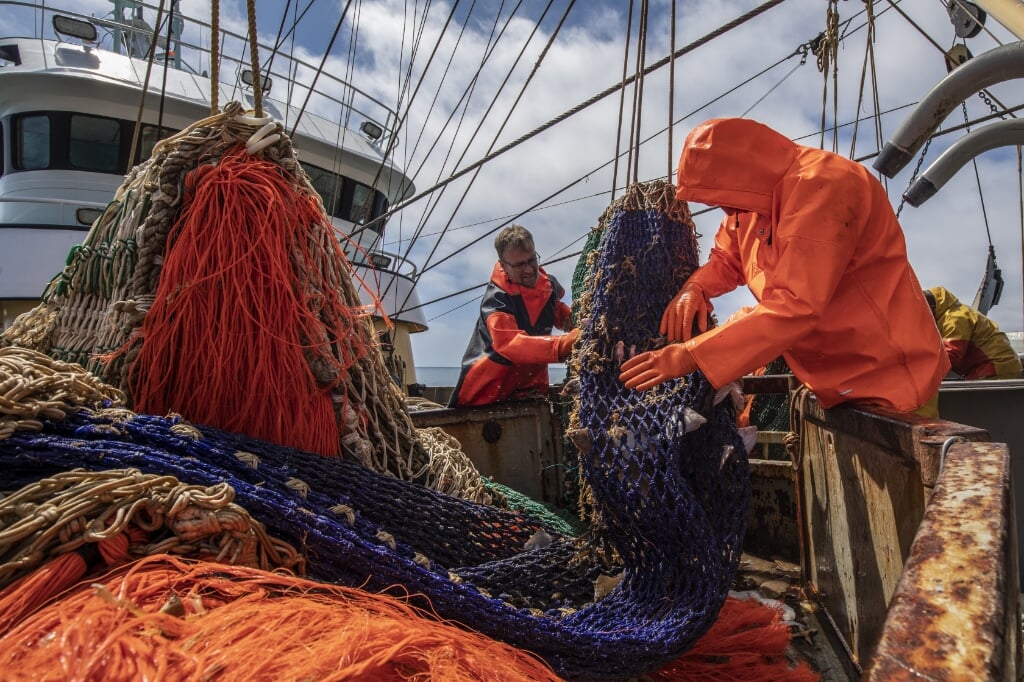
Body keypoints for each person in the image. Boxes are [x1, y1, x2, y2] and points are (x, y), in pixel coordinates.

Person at [619, 117, 950, 416]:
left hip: (892, 383)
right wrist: (697, 287)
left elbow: (795, 305)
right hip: (833, 386)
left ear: (743, 174)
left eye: (720, 196)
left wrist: (689, 356)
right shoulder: (746, 210)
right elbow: (726, 257)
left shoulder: (825, 186)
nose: (722, 208)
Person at [449, 224, 578, 407]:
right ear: (503, 265)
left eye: (532, 260)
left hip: (531, 393)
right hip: (485, 396)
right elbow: (509, 344)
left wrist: (581, 326)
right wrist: (563, 344)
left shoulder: (548, 286)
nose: (528, 270)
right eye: (519, 265)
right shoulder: (497, 300)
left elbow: (557, 312)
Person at [925, 286, 1023, 380]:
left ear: (931, 307)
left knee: (972, 396)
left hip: (997, 366)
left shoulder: (955, 318)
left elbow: (951, 356)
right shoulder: (949, 315)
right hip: (999, 365)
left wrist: (919, 368)